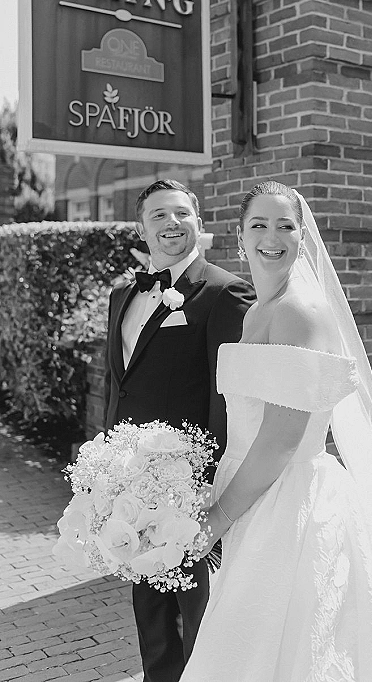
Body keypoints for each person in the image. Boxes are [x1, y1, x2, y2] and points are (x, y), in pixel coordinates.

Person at [180, 180, 372, 681]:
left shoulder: (297, 313)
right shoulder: (258, 311)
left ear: (303, 238)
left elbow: (283, 439)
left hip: (289, 504)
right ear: (238, 237)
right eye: (258, 224)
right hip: (253, 493)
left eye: (286, 225)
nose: (272, 236)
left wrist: (215, 519)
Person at [103, 179, 255, 682]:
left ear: (198, 221)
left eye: (180, 214)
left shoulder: (224, 292)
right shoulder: (123, 294)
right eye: (158, 216)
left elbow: (226, 395)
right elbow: (119, 383)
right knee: (148, 600)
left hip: (189, 479)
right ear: (141, 228)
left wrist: (210, 479)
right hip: (131, 478)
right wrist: (108, 461)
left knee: (197, 606)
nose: (171, 224)